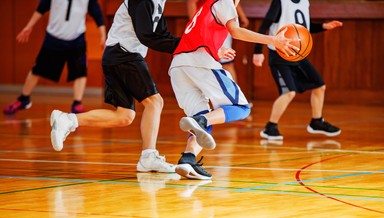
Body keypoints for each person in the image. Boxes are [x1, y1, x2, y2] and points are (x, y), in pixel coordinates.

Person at [169, 0, 298, 180]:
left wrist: (216, 49)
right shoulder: (225, 1)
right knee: (241, 108)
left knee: (203, 121)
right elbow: (236, 32)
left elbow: (199, 35)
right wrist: (273, 40)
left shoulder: (207, 6)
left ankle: (187, 159)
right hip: (199, 64)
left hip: (178, 67)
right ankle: (201, 121)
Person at [49, 0, 181, 173]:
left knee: (124, 116)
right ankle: (148, 157)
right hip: (124, 54)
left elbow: (161, 33)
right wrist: (186, 46)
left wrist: (187, 44)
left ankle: (68, 120)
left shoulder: (158, 2)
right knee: (155, 103)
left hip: (117, 55)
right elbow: (146, 35)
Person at [252, 0, 343, 140]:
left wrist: (324, 26)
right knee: (289, 92)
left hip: (298, 55)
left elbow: (303, 27)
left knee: (319, 86)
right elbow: (265, 25)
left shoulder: (304, 2)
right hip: (280, 55)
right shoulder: (281, 2)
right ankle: (270, 127)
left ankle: (316, 122)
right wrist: (258, 51)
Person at [3, 0, 106, 115]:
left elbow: (97, 14)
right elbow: (42, 7)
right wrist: (29, 26)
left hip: (77, 38)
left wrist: (102, 35)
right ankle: (23, 99)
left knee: (80, 71)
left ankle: (77, 103)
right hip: (54, 37)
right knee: (37, 69)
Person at [187, 0, 249, 82]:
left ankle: (234, 93)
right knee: (207, 63)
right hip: (206, 26)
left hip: (223, 24)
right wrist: (195, 25)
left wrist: (242, 16)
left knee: (227, 62)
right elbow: (191, 2)